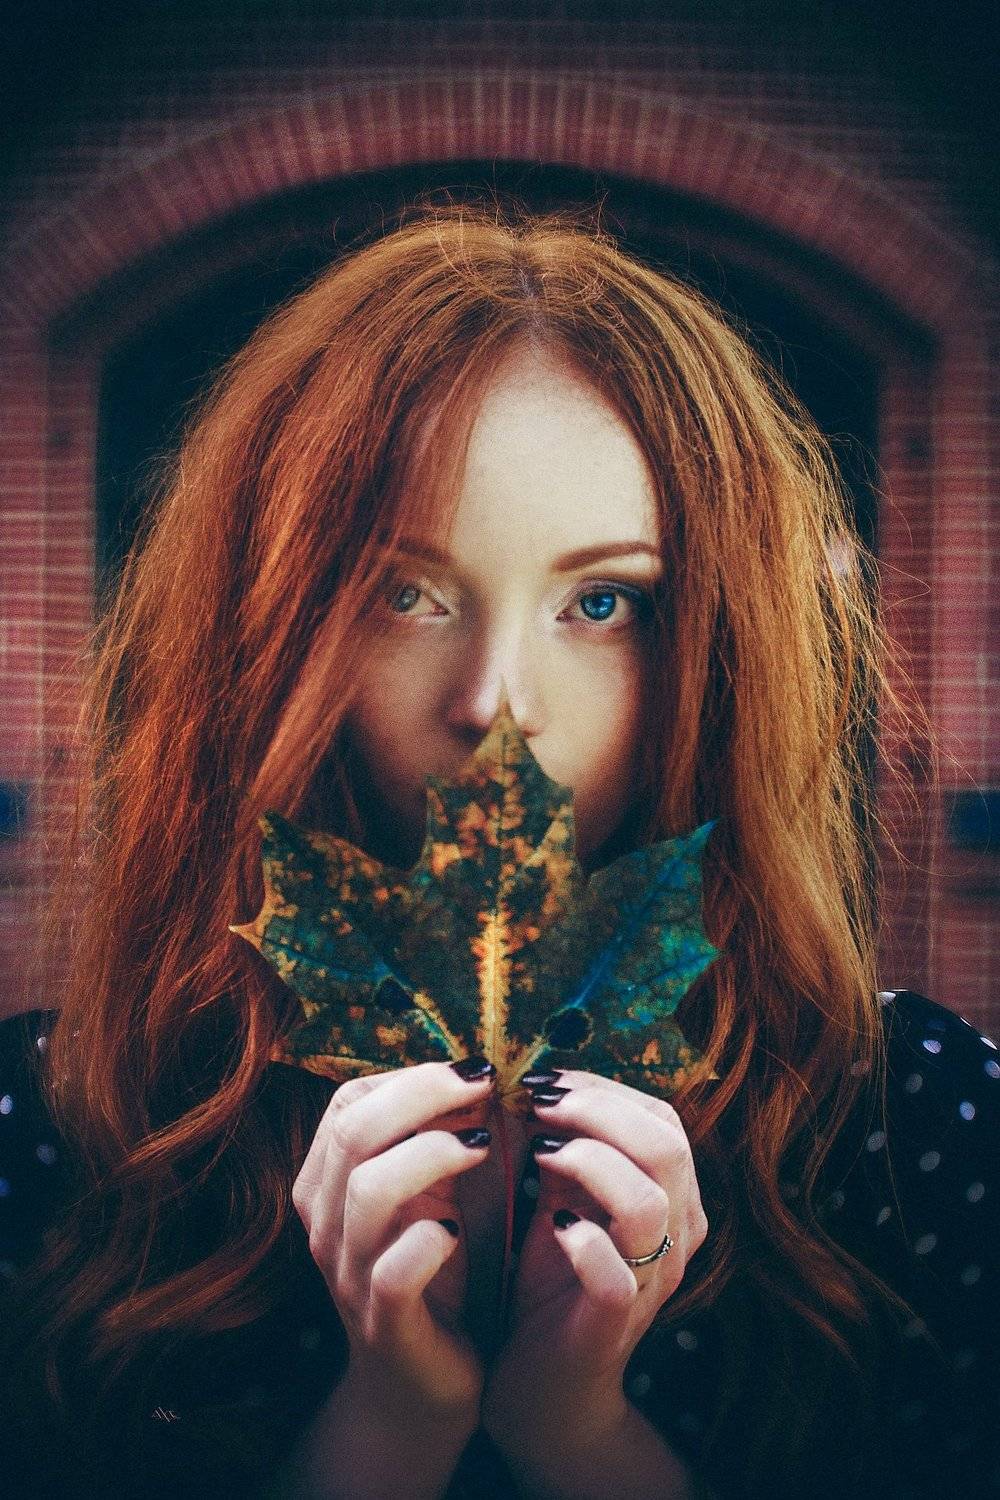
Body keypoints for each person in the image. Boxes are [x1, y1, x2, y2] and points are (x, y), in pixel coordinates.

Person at [0, 201, 996, 1500]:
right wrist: (385, 1429)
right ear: (278, 626)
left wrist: (580, 1437)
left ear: (716, 638)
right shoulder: (65, 1138)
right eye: (406, 592)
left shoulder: (910, 1128)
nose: (498, 700)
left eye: (602, 601)